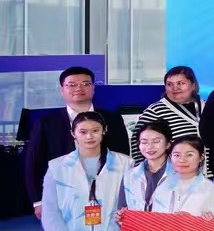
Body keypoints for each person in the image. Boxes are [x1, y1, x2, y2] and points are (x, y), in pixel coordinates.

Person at [25, 65, 131, 218]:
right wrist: (38, 201)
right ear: (62, 90)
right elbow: (33, 164)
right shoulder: (46, 123)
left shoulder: (112, 119)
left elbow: (122, 156)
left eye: (85, 84)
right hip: (62, 197)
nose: (79, 88)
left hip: (108, 196)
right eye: (72, 85)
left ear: (93, 88)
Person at [131, 65, 204, 167]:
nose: (175, 88)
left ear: (193, 85)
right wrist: (146, 171)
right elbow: (137, 144)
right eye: (169, 84)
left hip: (210, 172)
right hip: (172, 173)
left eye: (180, 83)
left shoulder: (207, 107)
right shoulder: (155, 111)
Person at [148, 137, 214, 217]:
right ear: (170, 157)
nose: (182, 160)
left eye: (189, 155)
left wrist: (192, 220)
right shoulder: (163, 185)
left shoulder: (211, 190)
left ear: (201, 157)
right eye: (177, 155)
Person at [118, 119, 173, 219]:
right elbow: (122, 209)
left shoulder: (181, 173)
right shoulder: (130, 175)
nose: (150, 147)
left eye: (156, 141)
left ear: (168, 144)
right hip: (137, 228)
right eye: (144, 142)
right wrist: (121, 217)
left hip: (170, 227)